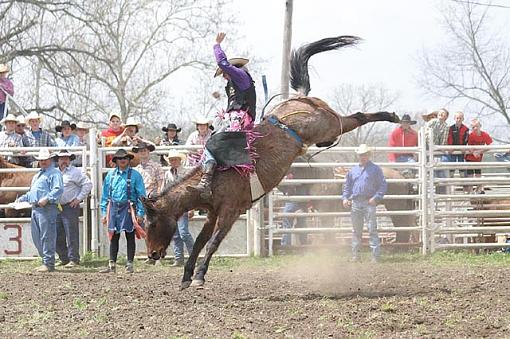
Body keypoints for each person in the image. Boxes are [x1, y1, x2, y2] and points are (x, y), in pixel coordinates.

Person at [187, 32, 257, 200]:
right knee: (211, 142)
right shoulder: (235, 83)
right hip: (234, 118)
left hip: (240, 119)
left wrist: (217, 45)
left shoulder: (241, 76)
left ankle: (207, 181)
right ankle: (207, 181)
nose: (224, 76)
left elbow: (222, 63)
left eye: (225, 73)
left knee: (217, 142)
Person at [16, 149, 64, 272]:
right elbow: (32, 192)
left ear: (50, 160)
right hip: (36, 208)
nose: (43, 162)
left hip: (47, 208)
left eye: (45, 160)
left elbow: (58, 189)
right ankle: (46, 261)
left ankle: (48, 263)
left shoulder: (54, 173)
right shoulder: (38, 174)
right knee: (37, 236)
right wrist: (22, 198)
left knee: (46, 236)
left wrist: (47, 198)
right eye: (41, 160)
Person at [99, 149, 146, 274]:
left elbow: (141, 195)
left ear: (129, 160)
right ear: (116, 161)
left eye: (125, 158)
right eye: (120, 158)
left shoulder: (135, 175)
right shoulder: (110, 175)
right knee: (114, 236)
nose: (123, 160)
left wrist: (140, 213)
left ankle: (129, 263)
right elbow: (105, 195)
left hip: (129, 207)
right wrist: (104, 212)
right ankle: (112, 264)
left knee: (130, 235)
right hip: (114, 206)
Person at [342, 144, 387, 263]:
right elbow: (347, 186)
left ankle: (375, 256)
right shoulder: (353, 170)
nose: (363, 157)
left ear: (368, 155)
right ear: (358, 156)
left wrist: (376, 198)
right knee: (356, 230)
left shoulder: (375, 169)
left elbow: (383, 185)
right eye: (361, 155)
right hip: (356, 202)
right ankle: (356, 256)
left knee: (372, 229)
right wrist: (345, 198)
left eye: (365, 155)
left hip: (369, 202)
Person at [55, 150, 92, 267]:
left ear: (70, 160)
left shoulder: (75, 172)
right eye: (62, 158)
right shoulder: (54, 172)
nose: (64, 160)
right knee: (57, 234)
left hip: (69, 206)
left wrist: (78, 199)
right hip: (55, 207)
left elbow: (87, 184)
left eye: (66, 158)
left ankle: (74, 259)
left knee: (71, 234)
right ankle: (63, 257)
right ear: (58, 160)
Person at [164, 150, 195, 266]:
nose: (173, 161)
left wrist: (192, 207)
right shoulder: (168, 174)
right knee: (176, 234)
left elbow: (191, 191)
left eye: (175, 159)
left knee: (184, 233)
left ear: (179, 160)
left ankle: (193, 256)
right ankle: (179, 259)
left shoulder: (186, 173)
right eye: (171, 160)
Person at [465, 118, 493, 193]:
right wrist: (474, 152)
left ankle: (479, 190)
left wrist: (480, 151)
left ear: (480, 126)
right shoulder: (470, 135)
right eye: (473, 127)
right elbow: (468, 146)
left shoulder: (484, 135)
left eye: (477, 126)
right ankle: (470, 191)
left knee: (478, 174)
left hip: (478, 158)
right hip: (470, 158)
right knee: (470, 174)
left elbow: (489, 145)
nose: (475, 128)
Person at [426, 108, 450, 194]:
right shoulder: (432, 122)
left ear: (446, 117)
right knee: (430, 166)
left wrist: (439, 148)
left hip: (437, 149)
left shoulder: (446, 127)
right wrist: (431, 146)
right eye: (440, 113)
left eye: (443, 114)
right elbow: (426, 135)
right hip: (427, 148)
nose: (441, 114)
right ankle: (433, 186)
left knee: (439, 165)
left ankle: (439, 187)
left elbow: (444, 140)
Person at [446, 111, 469, 186]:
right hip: (453, 149)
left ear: (463, 119)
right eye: (457, 118)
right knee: (451, 166)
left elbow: (466, 139)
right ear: (454, 118)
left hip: (461, 149)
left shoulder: (466, 129)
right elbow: (449, 138)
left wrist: (463, 147)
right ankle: (449, 185)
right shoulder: (451, 128)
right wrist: (450, 147)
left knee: (461, 166)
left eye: (460, 118)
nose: (458, 119)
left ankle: (464, 186)